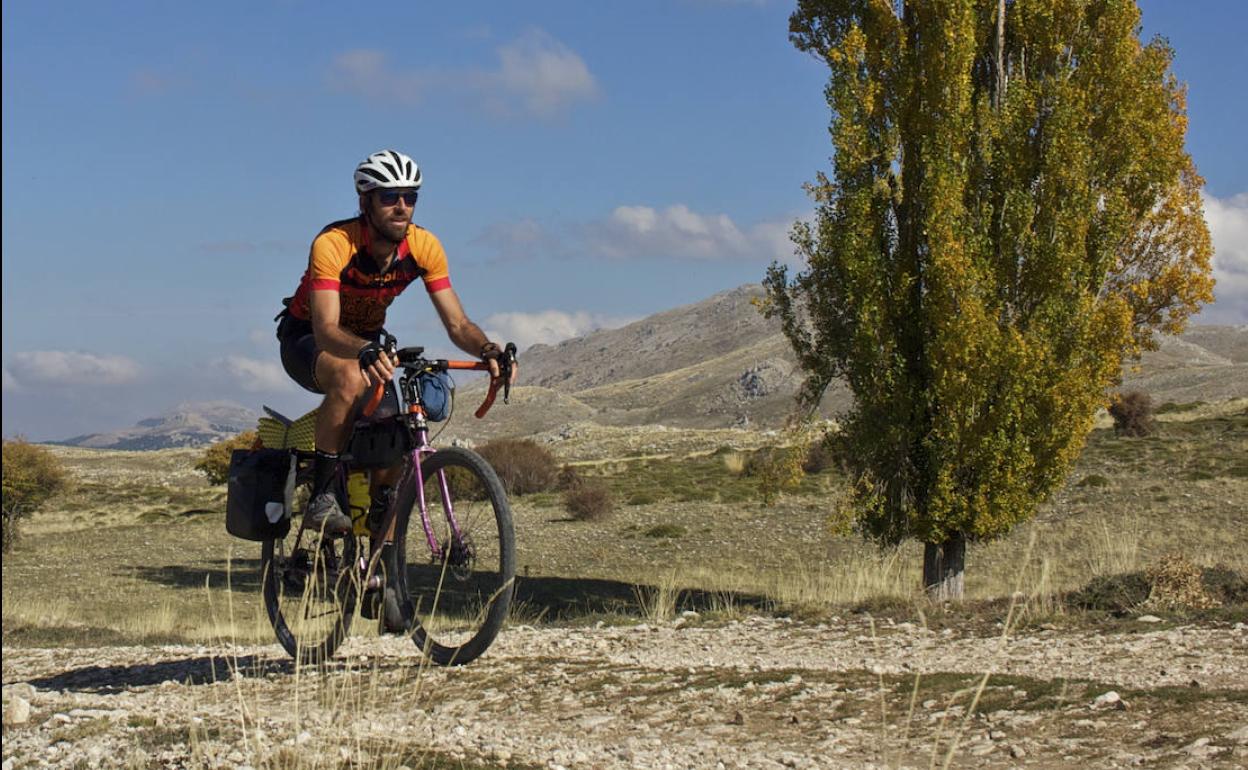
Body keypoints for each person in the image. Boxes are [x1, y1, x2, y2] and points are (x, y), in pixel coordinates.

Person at [276, 149, 516, 534]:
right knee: (349, 378)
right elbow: (326, 329)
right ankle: (322, 497)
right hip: (308, 339)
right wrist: (364, 351)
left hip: (369, 346)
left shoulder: (424, 247)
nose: (402, 207)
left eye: (411, 197)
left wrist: (488, 349)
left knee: (392, 437)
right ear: (364, 203)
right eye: (389, 197)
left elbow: (458, 324)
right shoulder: (335, 243)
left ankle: (379, 571)